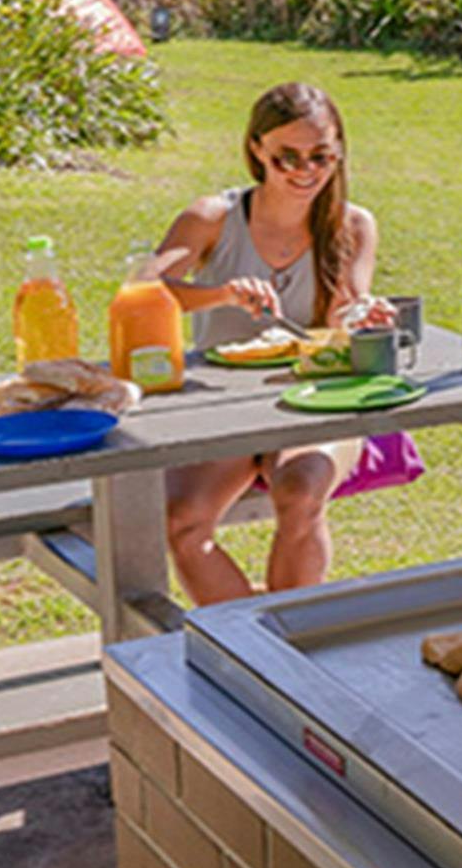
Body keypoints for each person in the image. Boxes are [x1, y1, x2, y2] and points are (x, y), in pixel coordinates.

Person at [157, 82, 390, 604]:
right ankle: (250, 640)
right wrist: (221, 294)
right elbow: (144, 292)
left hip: (315, 398)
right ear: (257, 148)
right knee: (183, 521)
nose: (306, 170)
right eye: (287, 156)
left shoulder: (352, 224)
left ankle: (290, 633)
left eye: (322, 155)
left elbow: (342, 313)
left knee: (301, 490)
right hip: (223, 402)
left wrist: (362, 316)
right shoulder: (212, 217)